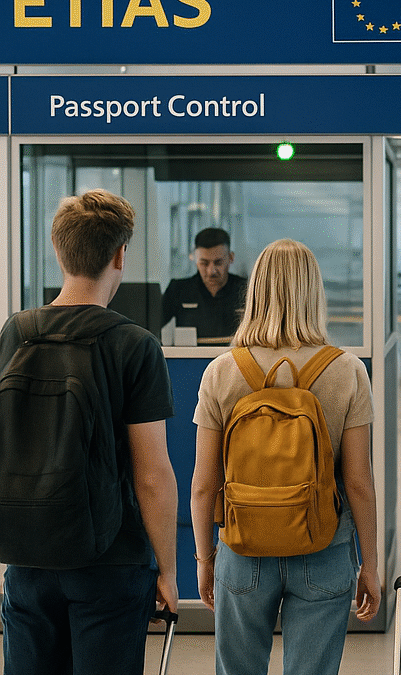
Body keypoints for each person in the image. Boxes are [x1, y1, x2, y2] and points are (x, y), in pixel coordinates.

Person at [0, 189, 178, 674]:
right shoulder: (135, 345)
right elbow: (152, 476)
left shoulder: (17, 332)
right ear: (121, 254)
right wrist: (168, 570)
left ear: (58, 251)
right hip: (110, 559)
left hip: (28, 558)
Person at [190, 239, 380, 675]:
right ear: (314, 293)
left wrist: (204, 560)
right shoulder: (347, 370)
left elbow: (204, 483)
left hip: (242, 550)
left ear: (255, 291)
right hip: (324, 546)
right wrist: (369, 564)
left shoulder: (222, 371)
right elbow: (358, 482)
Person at [162, 227, 246, 345]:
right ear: (194, 259)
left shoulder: (246, 290)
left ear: (231, 257)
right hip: (189, 360)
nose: (211, 271)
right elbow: (152, 327)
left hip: (235, 360)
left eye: (218, 263)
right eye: (204, 263)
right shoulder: (178, 290)